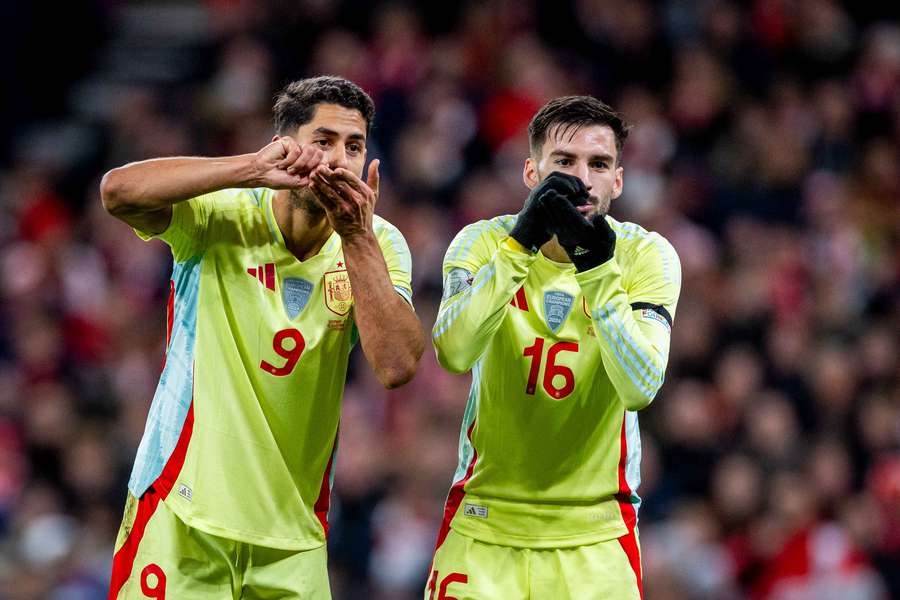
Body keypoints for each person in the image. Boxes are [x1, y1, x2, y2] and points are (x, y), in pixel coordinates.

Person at [101, 75, 424, 599]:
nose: (340, 160)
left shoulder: (379, 243)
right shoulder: (219, 212)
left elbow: (396, 367)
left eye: (355, 146)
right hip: (181, 512)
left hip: (292, 536)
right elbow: (117, 192)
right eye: (324, 142)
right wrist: (252, 168)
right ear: (286, 144)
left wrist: (357, 237)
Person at [428, 95, 681, 599]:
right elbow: (453, 351)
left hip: (594, 536)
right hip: (484, 526)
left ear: (618, 180)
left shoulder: (645, 256)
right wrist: (520, 245)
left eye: (599, 164)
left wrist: (595, 269)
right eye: (564, 162)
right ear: (531, 172)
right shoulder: (481, 244)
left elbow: (640, 386)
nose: (581, 179)